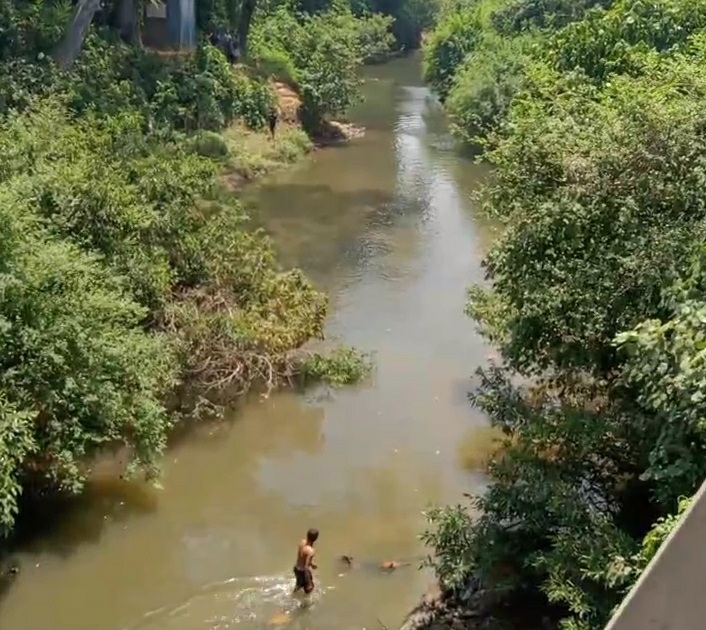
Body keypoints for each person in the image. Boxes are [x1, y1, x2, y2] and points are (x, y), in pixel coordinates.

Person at [293, 528, 318, 595]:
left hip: (296, 568)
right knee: (309, 590)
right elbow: (306, 567)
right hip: (302, 571)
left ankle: (293, 596)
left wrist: (312, 564)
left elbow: (302, 556)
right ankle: (304, 605)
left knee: (298, 586)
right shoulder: (311, 551)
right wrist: (308, 581)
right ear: (316, 539)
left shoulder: (302, 542)